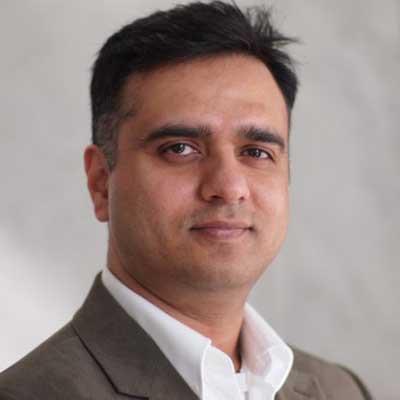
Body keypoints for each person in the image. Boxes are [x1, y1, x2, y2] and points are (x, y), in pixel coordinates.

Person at [0, 1, 372, 399]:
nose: (229, 186)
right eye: (179, 148)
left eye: (256, 152)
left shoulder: (342, 390)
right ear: (100, 182)